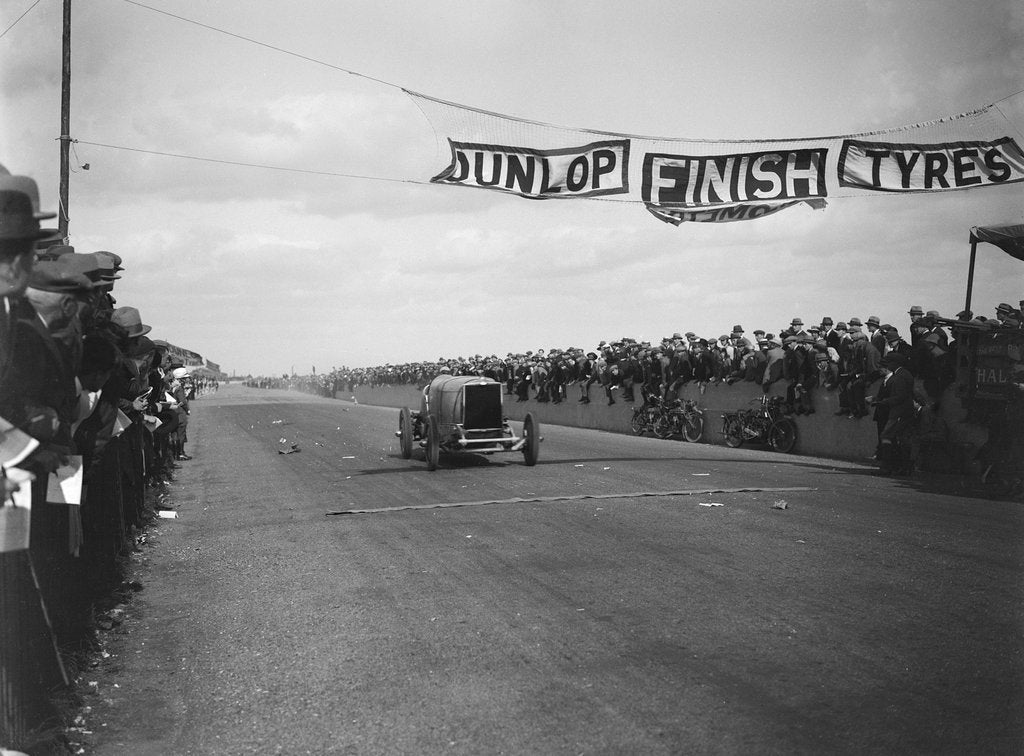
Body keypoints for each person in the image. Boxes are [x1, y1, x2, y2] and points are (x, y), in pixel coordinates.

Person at [871, 352, 916, 475]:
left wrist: (880, 402)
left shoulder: (898, 378)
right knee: (897, 439)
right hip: (899, 412)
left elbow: (900, 397)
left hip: (898, 413)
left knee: (888, 437)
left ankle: (890, 467)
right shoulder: (899, 376)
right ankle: (898, 467)